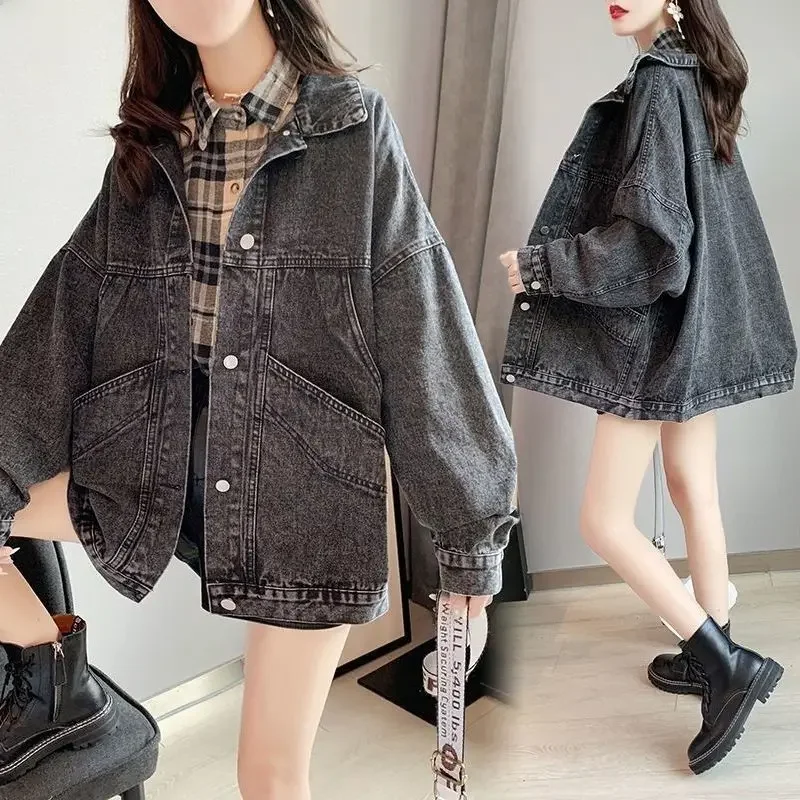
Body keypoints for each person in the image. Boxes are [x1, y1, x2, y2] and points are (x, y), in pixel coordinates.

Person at [0, 1, 518, 796]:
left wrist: (468, 544)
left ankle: (53, 686)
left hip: (298, 503)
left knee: (270, 779)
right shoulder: (151, 147)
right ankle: (58, 684)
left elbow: (424, 327)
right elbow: (62, 321)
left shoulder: (352, 132)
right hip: (152, 481)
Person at [500, 0, 795, 775]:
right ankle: (713, 643)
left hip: (657, 337)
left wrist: (541, 267)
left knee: (602, 521)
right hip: (700, 325)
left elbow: (650, 244)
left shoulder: (661, 83)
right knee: (693, 486)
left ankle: (726, 668)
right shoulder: (692, 76)